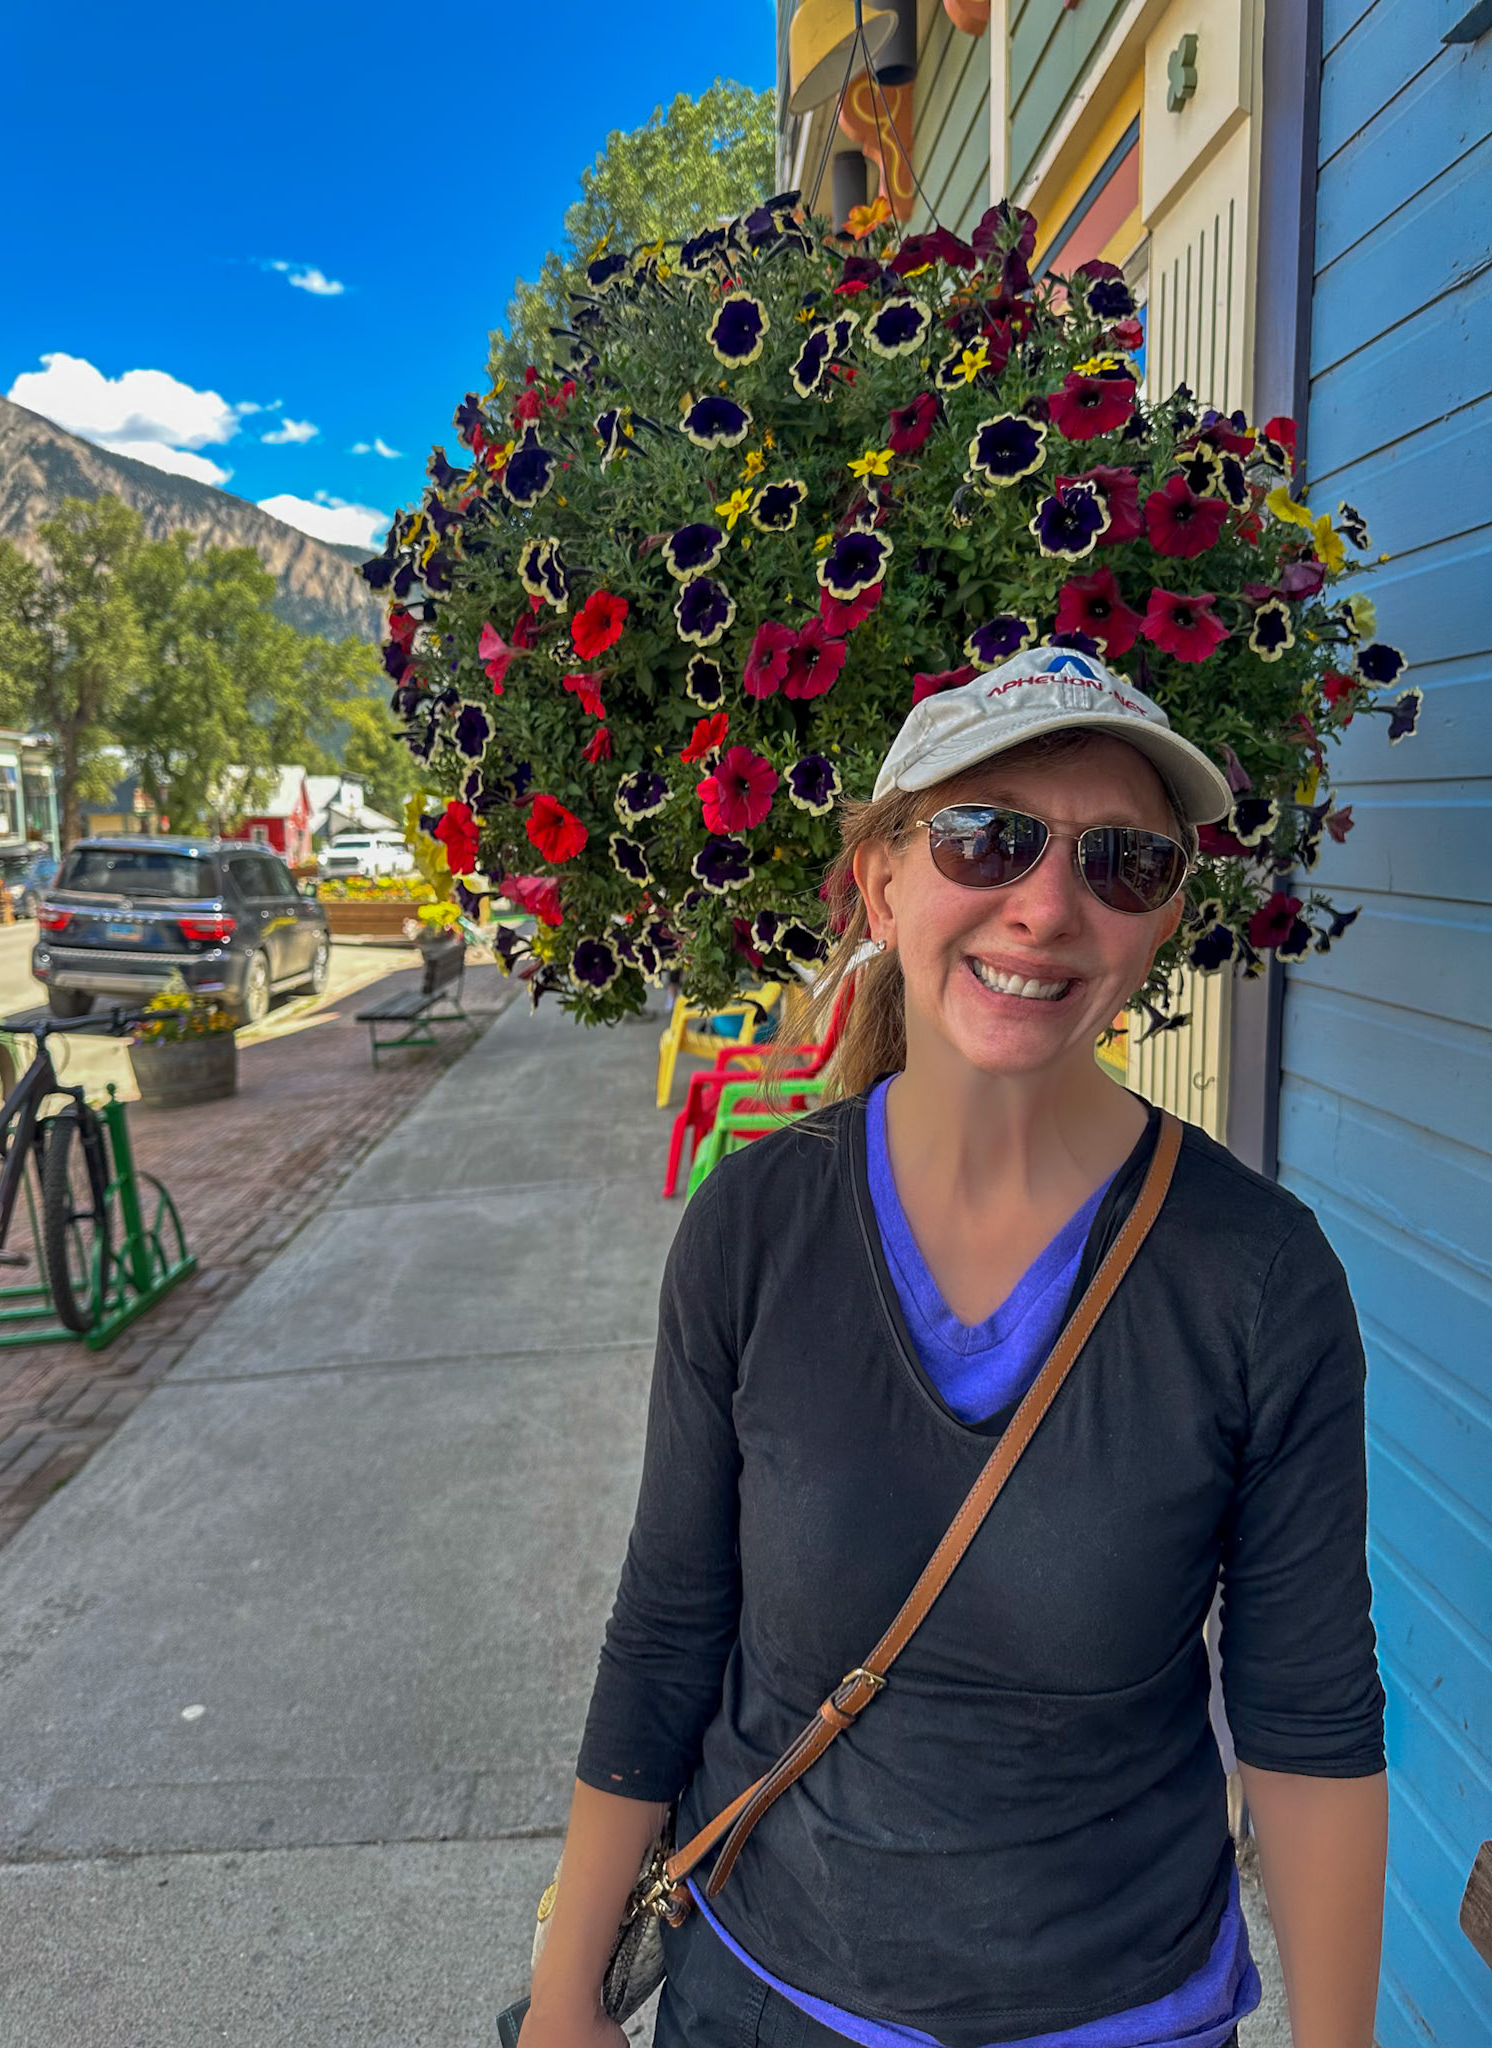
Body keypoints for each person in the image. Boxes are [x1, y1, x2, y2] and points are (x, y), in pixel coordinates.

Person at [522, 649, 1387, 2048]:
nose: (1047, 906)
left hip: (1115, 2015)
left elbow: (1309, 1715)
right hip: (761, 1996)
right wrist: (570, 1996)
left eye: (1125, 862)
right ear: (879, 884)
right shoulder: (755, 1228)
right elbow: (670, 1630)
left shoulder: (1259, 1279)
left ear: (1162, 920)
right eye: (987, 839)